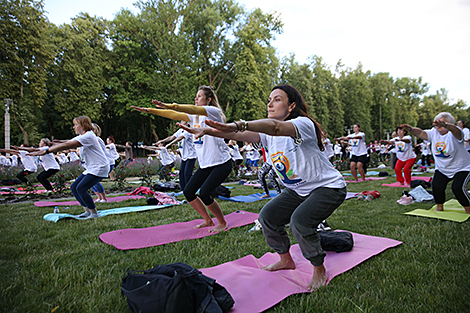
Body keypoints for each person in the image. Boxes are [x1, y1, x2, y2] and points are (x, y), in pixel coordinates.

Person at [179, 85, 347, 290]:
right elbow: (242, 135)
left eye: (277, 99)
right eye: (269, 99)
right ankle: (286, 259)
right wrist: (210, 131)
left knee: (300, 222)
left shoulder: (301, 124)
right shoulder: (268, 135)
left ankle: (318, 268)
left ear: (292, 105)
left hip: (327, 187)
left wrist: (237, 124)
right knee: (267, 216)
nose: (269, 103)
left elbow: (275, 127)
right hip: (299, 190)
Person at [131, 85, 233, 233]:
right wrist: (150, 110)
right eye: (196, 96)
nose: (196, 99)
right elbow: (173, 115)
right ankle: (208, 220)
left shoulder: (213, 112)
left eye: (199, 96)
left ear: (208, 99)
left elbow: (191, 109)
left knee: (205, 193)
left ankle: (222, 223)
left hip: (221, 163)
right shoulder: (194, 118)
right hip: (206, 164)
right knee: (189, 191)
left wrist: (168, 105)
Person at [28, 116, 110, 219]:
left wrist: (47, 151)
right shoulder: (83, 135)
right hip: (92, 168)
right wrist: (49, 147)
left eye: (76, 124)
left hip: (100, 167)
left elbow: (68, 144)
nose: (73, 127)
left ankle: (94, 213)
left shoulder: (89, 136)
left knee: (81, 188)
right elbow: (67, 141)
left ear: (84, 125)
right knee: (74, 187)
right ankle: (87, 211)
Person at [401, 112, 470, 214]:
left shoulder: (456, 133)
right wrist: (411, 129)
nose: (439, 125)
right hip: (443, 168)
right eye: (437, 123)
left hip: (463, 167)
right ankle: (440, 207)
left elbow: (456, 132)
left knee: (457, 188)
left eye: (442, 123)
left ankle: (468, 209)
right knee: (437, 186)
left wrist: (446, 126)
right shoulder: (433, 133)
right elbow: (420, 133)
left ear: (450, 124)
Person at [163, 121, 197, 191]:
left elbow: (180, 138)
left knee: (187, 174)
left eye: (183, 121)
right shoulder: (180, 131)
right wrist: (161, 141)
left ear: (187, 124)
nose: (181, 122)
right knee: (181, 174)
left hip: (191, 156)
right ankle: (183, 190)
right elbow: (171, 137)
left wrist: (170, 144)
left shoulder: (188, 131)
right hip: (184, 157)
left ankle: (189, 190)